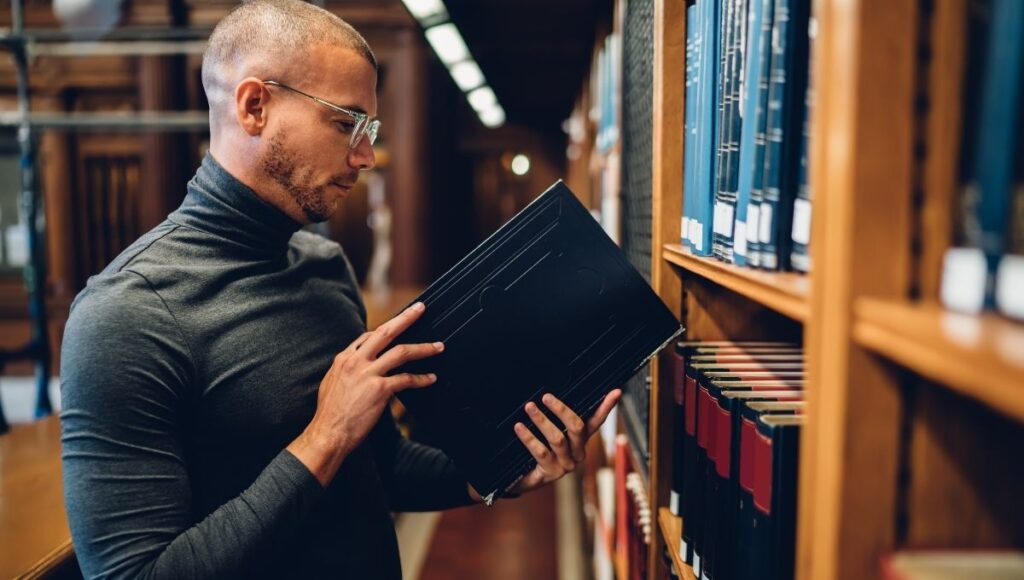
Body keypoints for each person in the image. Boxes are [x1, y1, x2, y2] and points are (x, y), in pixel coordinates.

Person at [59, 1, 621, 578]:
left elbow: (382, 468)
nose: (365, 156)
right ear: (255, 106)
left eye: (369, 128)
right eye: (345, 122)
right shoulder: (125, 315)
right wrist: (325, 435)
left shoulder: (323, 265)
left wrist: (500, 473)